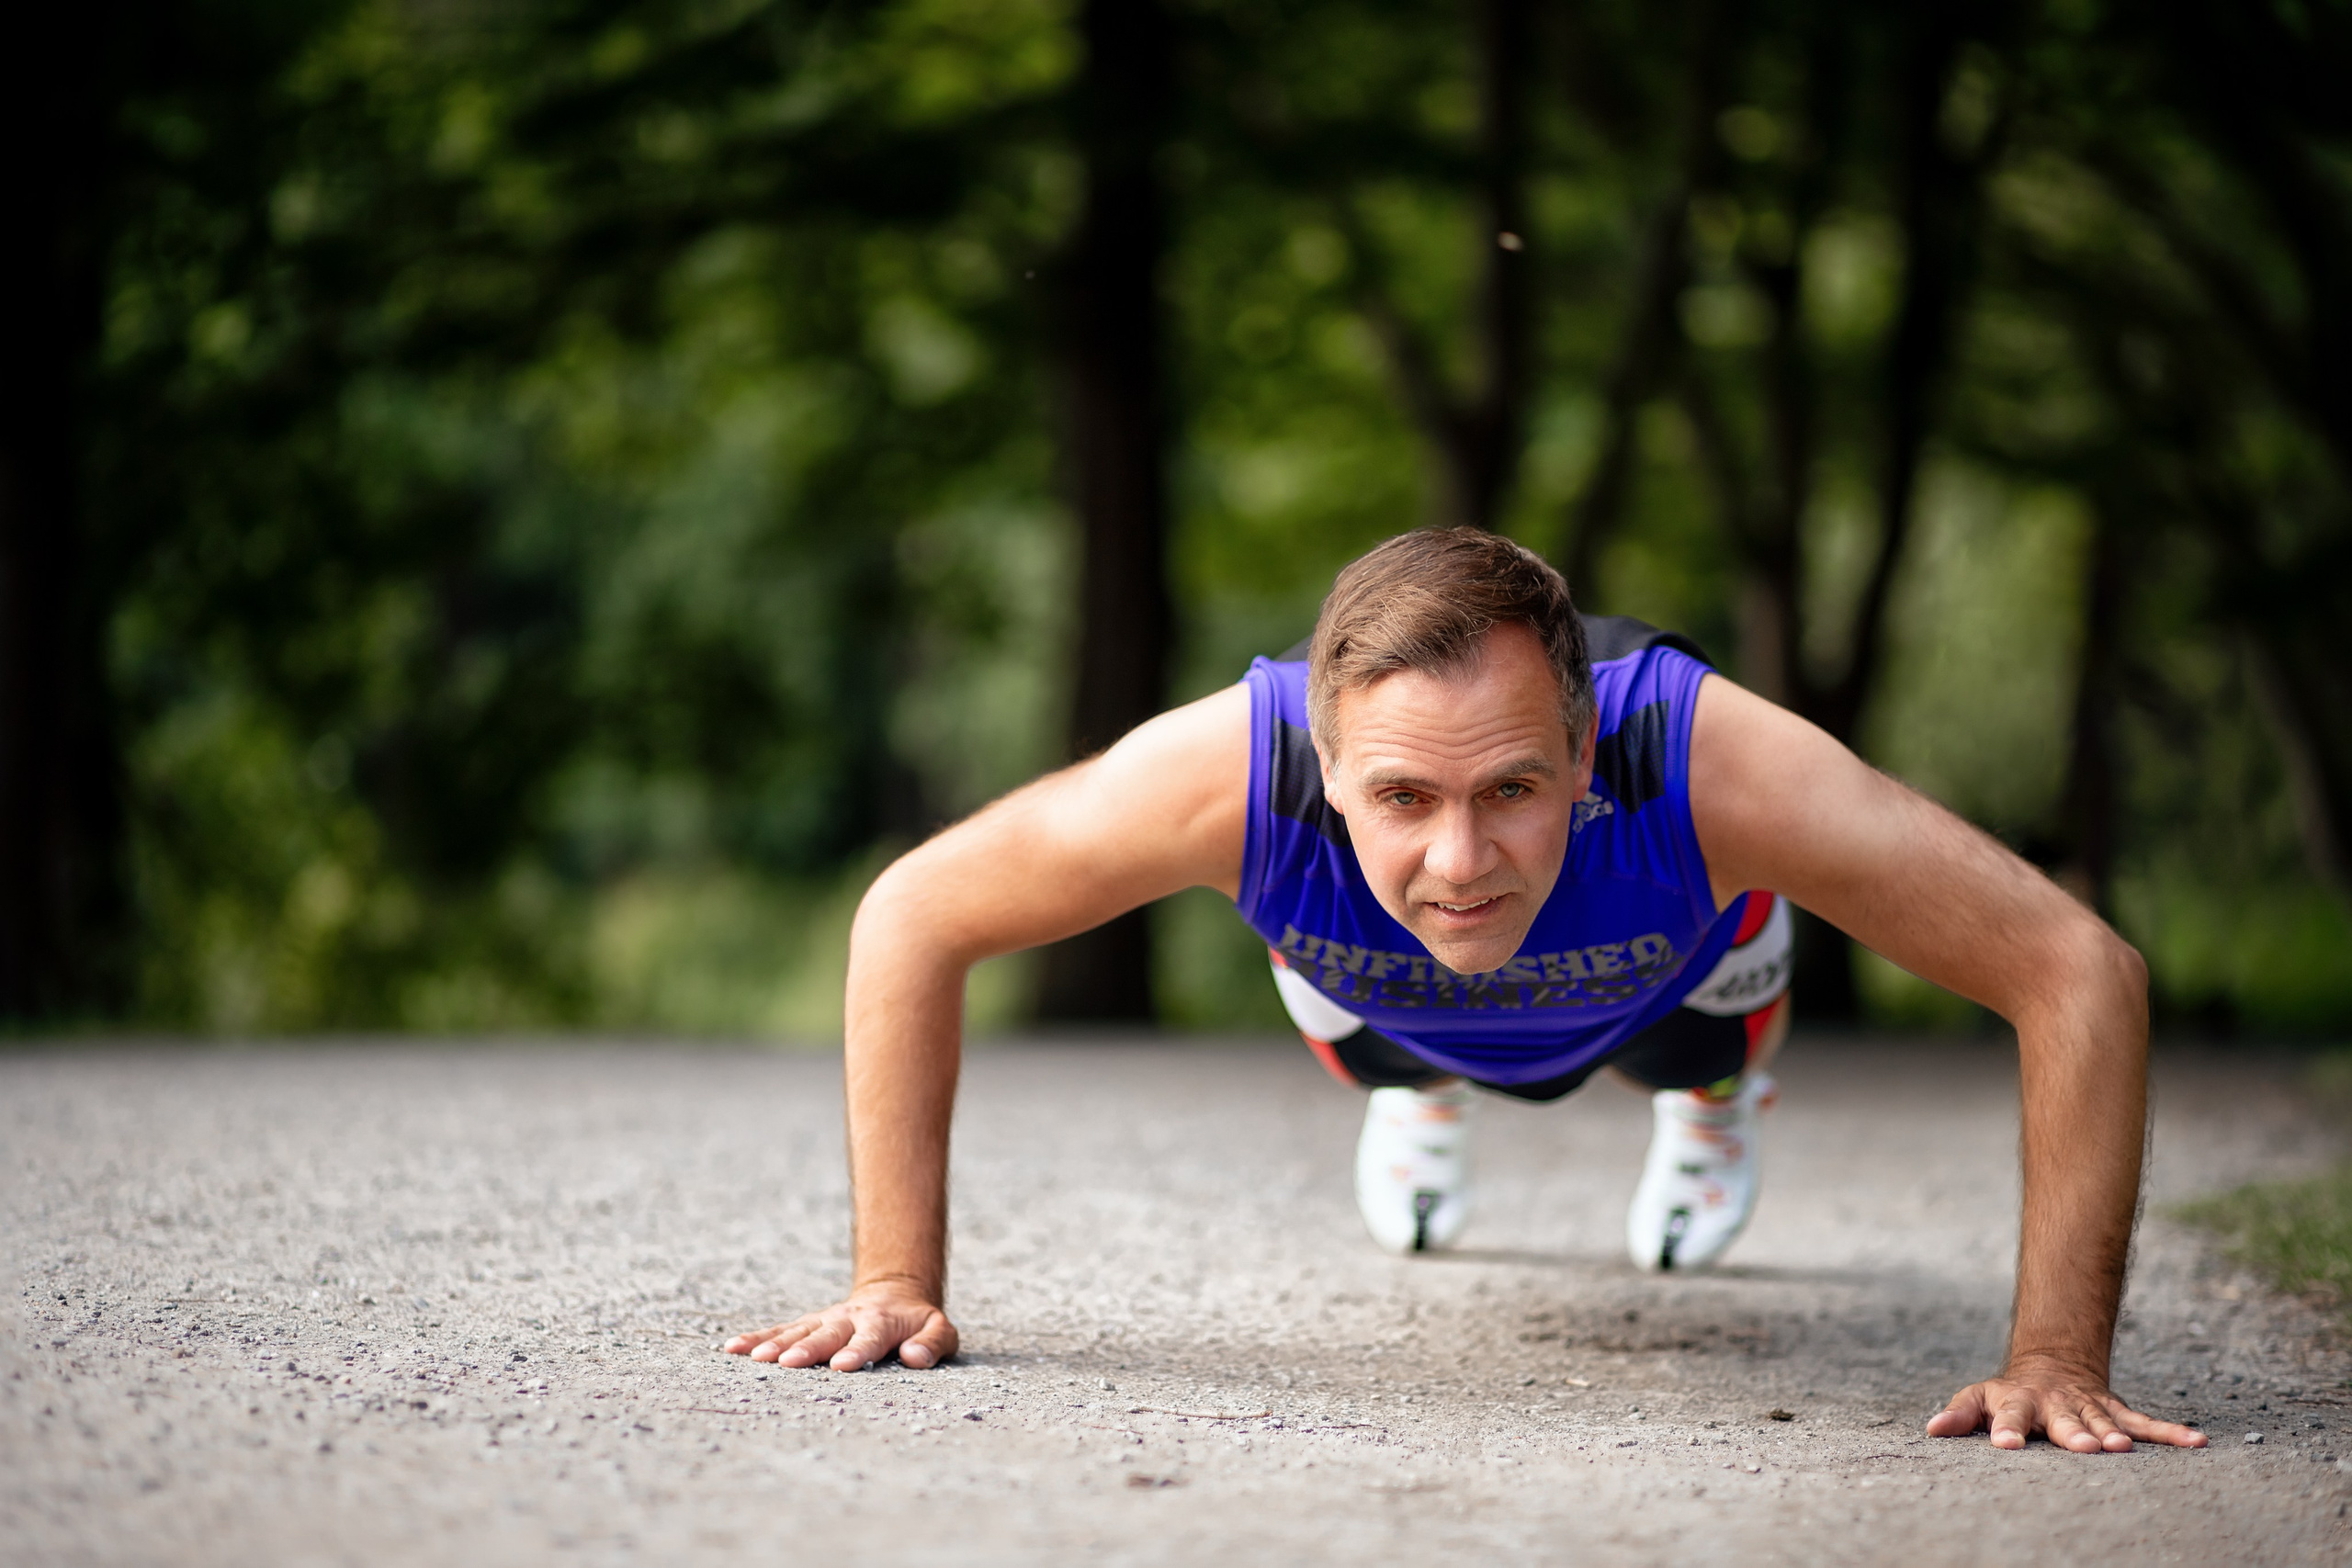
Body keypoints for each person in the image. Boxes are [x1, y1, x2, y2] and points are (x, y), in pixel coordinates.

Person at [726, 528, 2206, 1456]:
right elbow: (913, 912)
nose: (1460, 852)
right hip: (1382, 999)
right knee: (1395, 1006)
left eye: (1513, 785)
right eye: (1402, 796)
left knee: (1706, 1032)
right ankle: (1420, 1085)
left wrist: (2057, 1359)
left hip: (1674, 983)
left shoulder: (1704, 758)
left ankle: (1708, 1105)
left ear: (1583, 742)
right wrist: (892, 1281)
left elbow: (2080, 969)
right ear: (1319, 764)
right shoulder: (1223, 780)